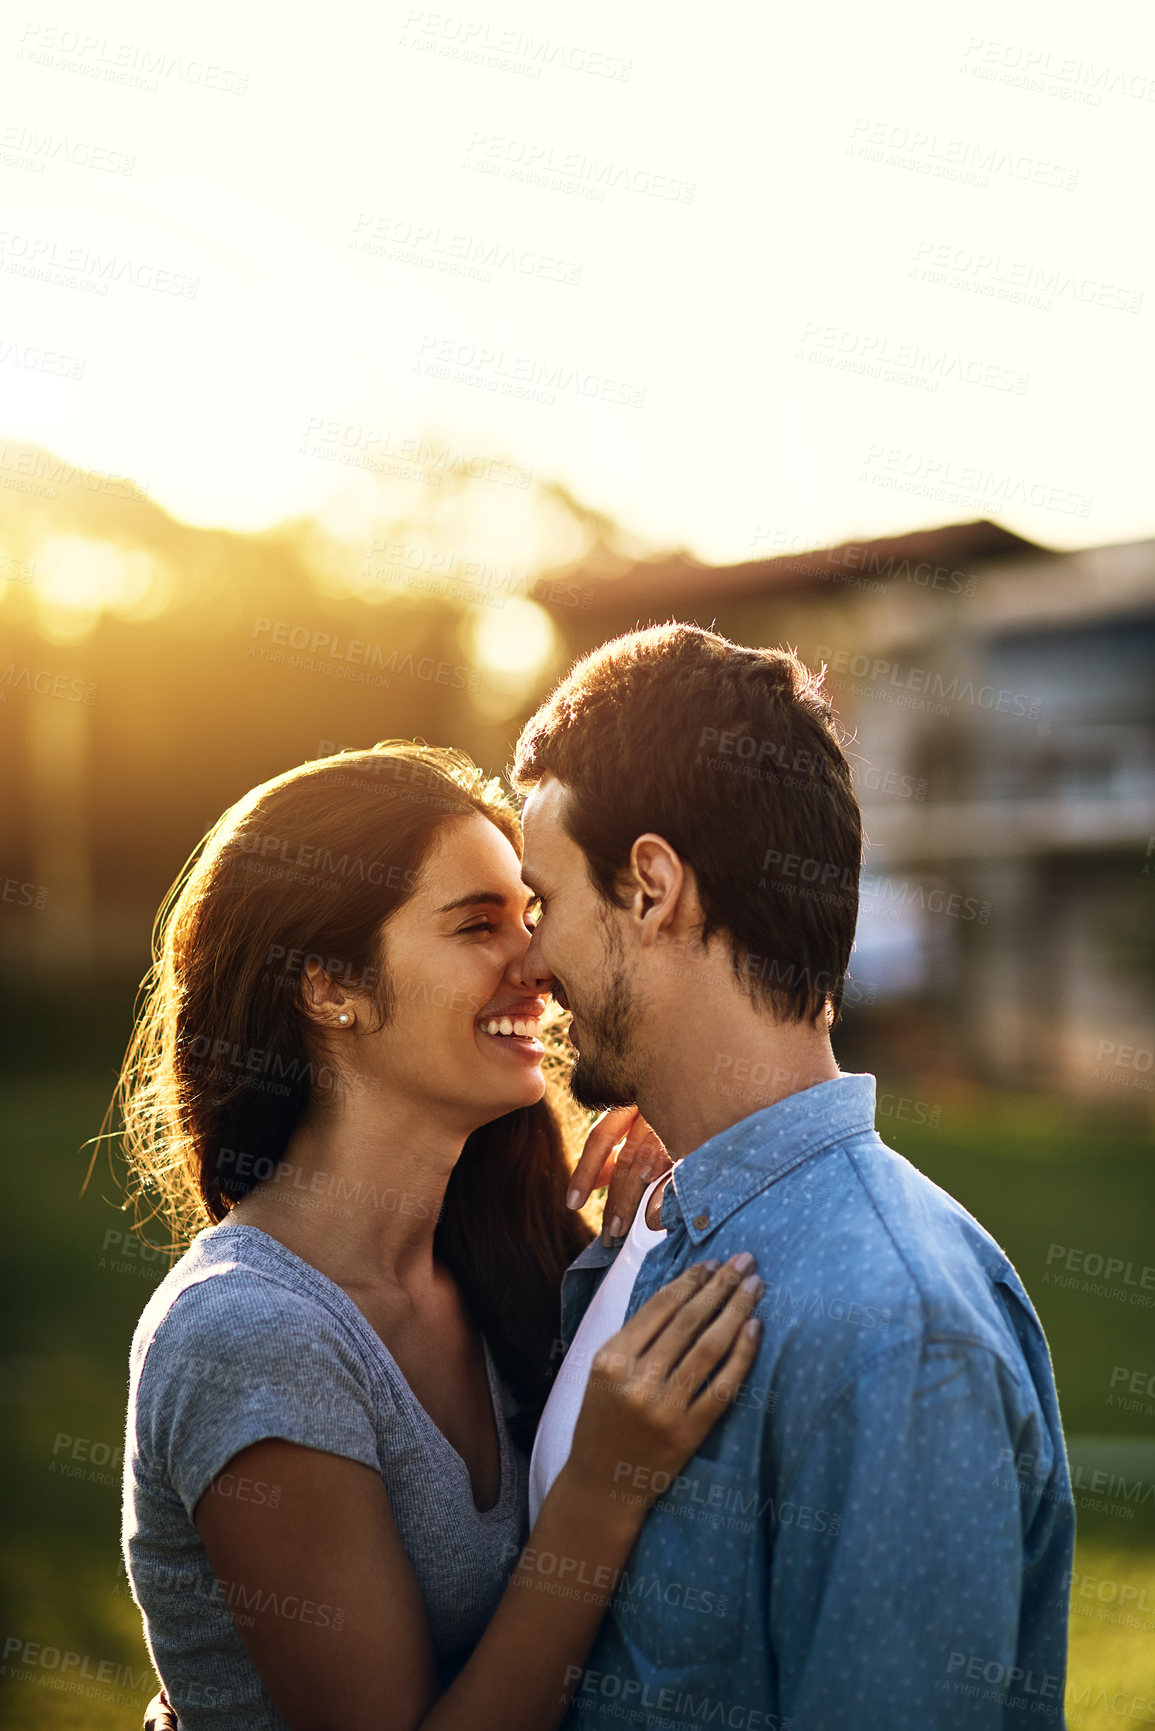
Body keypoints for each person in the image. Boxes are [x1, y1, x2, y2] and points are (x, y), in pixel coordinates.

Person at [119, 740, 763, 1731]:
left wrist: (650, 1188)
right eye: (477, 925)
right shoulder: (250, 1335)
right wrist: (601, 1484)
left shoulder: (500, 1262)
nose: (540, 965)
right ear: (330, 985)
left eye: (531, 917)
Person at [510, 623, 1075, 1730]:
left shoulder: (896, 1327)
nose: (530, 961)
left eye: (545, 903)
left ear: (650, 889)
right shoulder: (655, 1223)